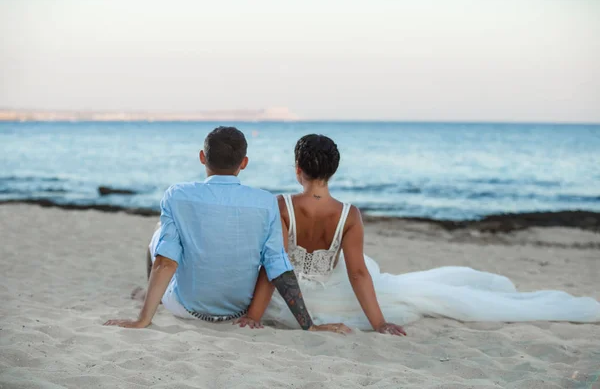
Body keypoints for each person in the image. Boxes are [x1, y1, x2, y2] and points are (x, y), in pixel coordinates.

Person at [235, 134, 600, 331]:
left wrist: (254, 316)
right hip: (335, 295)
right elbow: (358, 273)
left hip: (291, 302)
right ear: (334, 171)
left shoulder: (281, 205)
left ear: (297, 169)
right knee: (387, 279)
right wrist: (379, 324)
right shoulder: (349, 215)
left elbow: (276, 266)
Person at [104, 127, 350, 334]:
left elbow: (165, 262)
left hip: (186, 308)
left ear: (202, 157)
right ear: (244, 163)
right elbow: (278, 266)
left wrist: (142, 321)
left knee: (160, 233)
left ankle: (151, 299)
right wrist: (309, 326)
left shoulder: (177, 195)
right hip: (239, 312)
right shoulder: (265, 202)